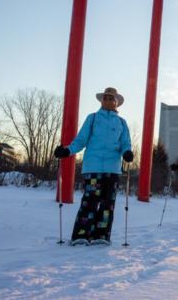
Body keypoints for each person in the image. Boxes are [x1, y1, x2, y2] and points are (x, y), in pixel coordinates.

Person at [54, 87, 133, 246]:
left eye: (111, 98)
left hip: (112, 169)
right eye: (105, 98)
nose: (108, 100)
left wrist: (127, 152)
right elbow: (81, 140)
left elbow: (125, 142)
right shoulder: (93, 118)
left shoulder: (121, 123)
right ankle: (81, 234)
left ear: (116, 102)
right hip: (93, 167)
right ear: (101, 100)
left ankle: (101, 235)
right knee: (89, 201)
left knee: (106, 204)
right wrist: (67, 150)